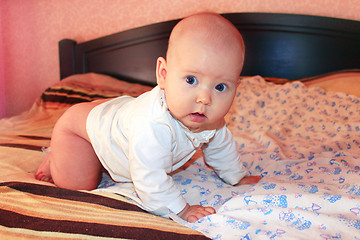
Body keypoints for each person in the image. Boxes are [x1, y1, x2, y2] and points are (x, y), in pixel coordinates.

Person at [36, 12, 261, 223]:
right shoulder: (153, 125)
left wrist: (237, 177)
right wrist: (181, 209)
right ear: (163, 74)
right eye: (191, 80)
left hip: (120, 117)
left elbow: (221, 148)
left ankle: (98, 153)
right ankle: (57, 155)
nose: (204, 98)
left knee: (122, 144)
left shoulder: (210, 119)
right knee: (80, 184)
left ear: (236, 87)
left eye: (220, 86)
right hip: (80, 130)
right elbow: (150, 179)